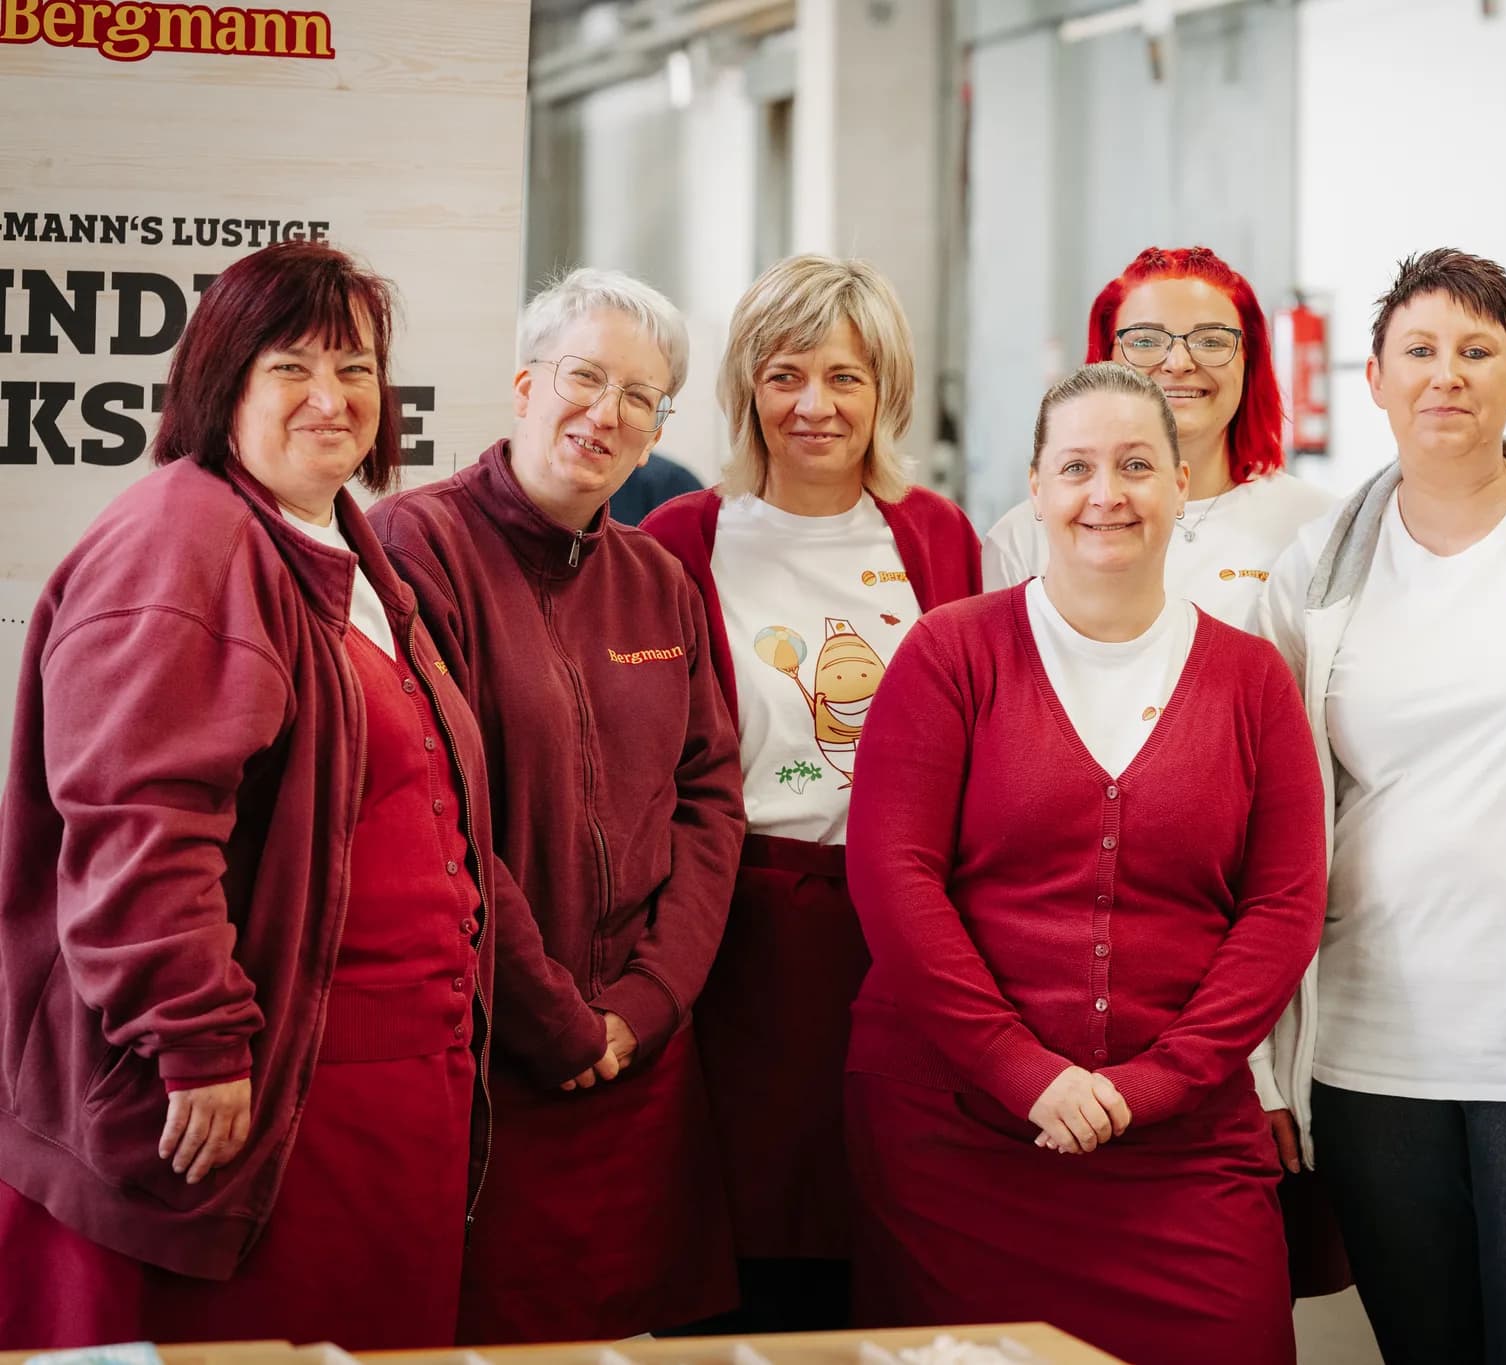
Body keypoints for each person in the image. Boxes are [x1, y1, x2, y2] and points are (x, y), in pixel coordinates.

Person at [0, 242, 501, 1349]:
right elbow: (142, 827)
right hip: (259, 1099)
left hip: (381, 1091)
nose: (333, 399)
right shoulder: (181, 541)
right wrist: (198, 1041)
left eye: (357, 369)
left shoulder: (342, 543)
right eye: (293, 368)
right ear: (220, 382)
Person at [843, 362, 1326, 1365]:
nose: (1105, 493)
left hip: (1184, 1146)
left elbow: (1282, 908)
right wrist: (1024, 1074)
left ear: (1181, 486)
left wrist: (1156, 1083)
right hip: (959, 1140)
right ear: (1033, 487)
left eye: (1136, 465)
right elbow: (893, 881)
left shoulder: (1251, 681)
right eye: (1076, 467)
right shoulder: (948, 655)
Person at [1254, 249, 1506, 1364]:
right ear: (1371, 378)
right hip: (1371, 1044)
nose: (1445, 377)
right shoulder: (1314, 566)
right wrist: (1262, 1061)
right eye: (1417, 351)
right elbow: (1272, 817)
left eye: (1475, 353)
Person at [368, 268, 747, 1342]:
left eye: (641, 396)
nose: (608, 413)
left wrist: (651, 1000)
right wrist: (556, 1018)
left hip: (642, 1064)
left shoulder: (658, 581)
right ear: (527, 382)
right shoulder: (413, 548)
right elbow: (436, 815)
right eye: (586, 377)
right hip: (494, 1056)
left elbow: (708, 800)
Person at [640, 254, 981, 1332]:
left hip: (901, 932)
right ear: (746, 388)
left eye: (843, 377)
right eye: (784, 375)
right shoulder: (682, 540)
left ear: (884, 388)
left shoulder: (936, 536)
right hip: (737, 937)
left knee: (885, 1235)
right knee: (738, 1246)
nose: (813, 406)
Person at [983, 245, 1334, 630]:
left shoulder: (1316, 527)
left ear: (1249, 362)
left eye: (1212, 341)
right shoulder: (1021, 538)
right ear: (1104, 359)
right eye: (1146, 341)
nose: (1179, 363)